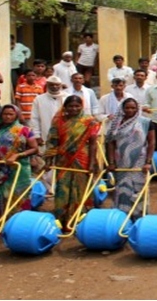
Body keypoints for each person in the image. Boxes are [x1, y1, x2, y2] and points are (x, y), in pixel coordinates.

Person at [45, 95, 100, 227]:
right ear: (65, 107)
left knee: (81, 188)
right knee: (63, 188)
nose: (74, 109)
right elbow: (52, 142)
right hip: (63, 160)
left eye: (77, 106)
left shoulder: (89, 121)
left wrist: (92, 163)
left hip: (82, 158)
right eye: (71, 106)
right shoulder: (58, 121)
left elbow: (93, 144)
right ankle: (63, 219)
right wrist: (48, 161)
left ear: (82, 106)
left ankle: (83, 220)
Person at [0, 104, 39, 225]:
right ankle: (2, 221)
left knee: (18, 194)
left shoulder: (24, 130)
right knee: (1, 195)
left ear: (16, 115)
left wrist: (17, 155)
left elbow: (34, 149)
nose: (7, 117)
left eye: (11, 114)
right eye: (5, 114)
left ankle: (19, 223)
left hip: (18, 169)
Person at [105, 98, 154, 219]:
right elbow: (110, 143)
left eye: (133, 108)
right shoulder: (116, 123)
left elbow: (152, 142)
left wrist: (148, 162)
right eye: (127, 108)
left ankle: (139, 218)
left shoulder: (145, 122)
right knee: (122, 188)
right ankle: (121, 218)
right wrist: (111, 162)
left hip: (139, 161)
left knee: (138, 189)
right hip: (121, 161)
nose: (130, 110)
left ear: (137, 109)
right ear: (122, 109)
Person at [30, 77, 69, 153]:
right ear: (47, 85)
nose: (54, 87)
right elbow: (35, 118)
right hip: (46, 133)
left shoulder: (67, 98)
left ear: (60, 85)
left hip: (65, 133)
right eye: (52, 85)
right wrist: (37, 135)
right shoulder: (39, 99)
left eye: (57, 85)